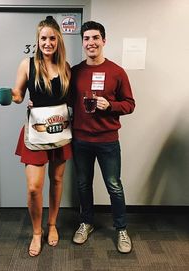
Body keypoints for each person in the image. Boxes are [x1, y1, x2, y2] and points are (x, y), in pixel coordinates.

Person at [71, 21, 135, 253]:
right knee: (83, 184)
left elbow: (130, 104)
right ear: (83, 43)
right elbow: (63, 100)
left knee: (114, 186)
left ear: (104, 41)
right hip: (80, 140)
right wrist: (35, 103)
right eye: (86, 38)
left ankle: (121, 229)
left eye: (95, 38)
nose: (91, 42)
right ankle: (86, 223)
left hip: (107, 141)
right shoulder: (75, 71)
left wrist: (110, 106)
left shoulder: (117, 71)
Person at [12, 16, 72, 257]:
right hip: (36, 134)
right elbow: (17, 93)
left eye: (52, 38)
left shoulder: (65, 67)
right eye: (43, 38)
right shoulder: (27, 64)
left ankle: (52, 225)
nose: (48, 42)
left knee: (56, 182)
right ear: (38, 41)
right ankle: (37, 232)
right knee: (34, 188)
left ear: (58, 40)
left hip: (59, 132)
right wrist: (16, 96)